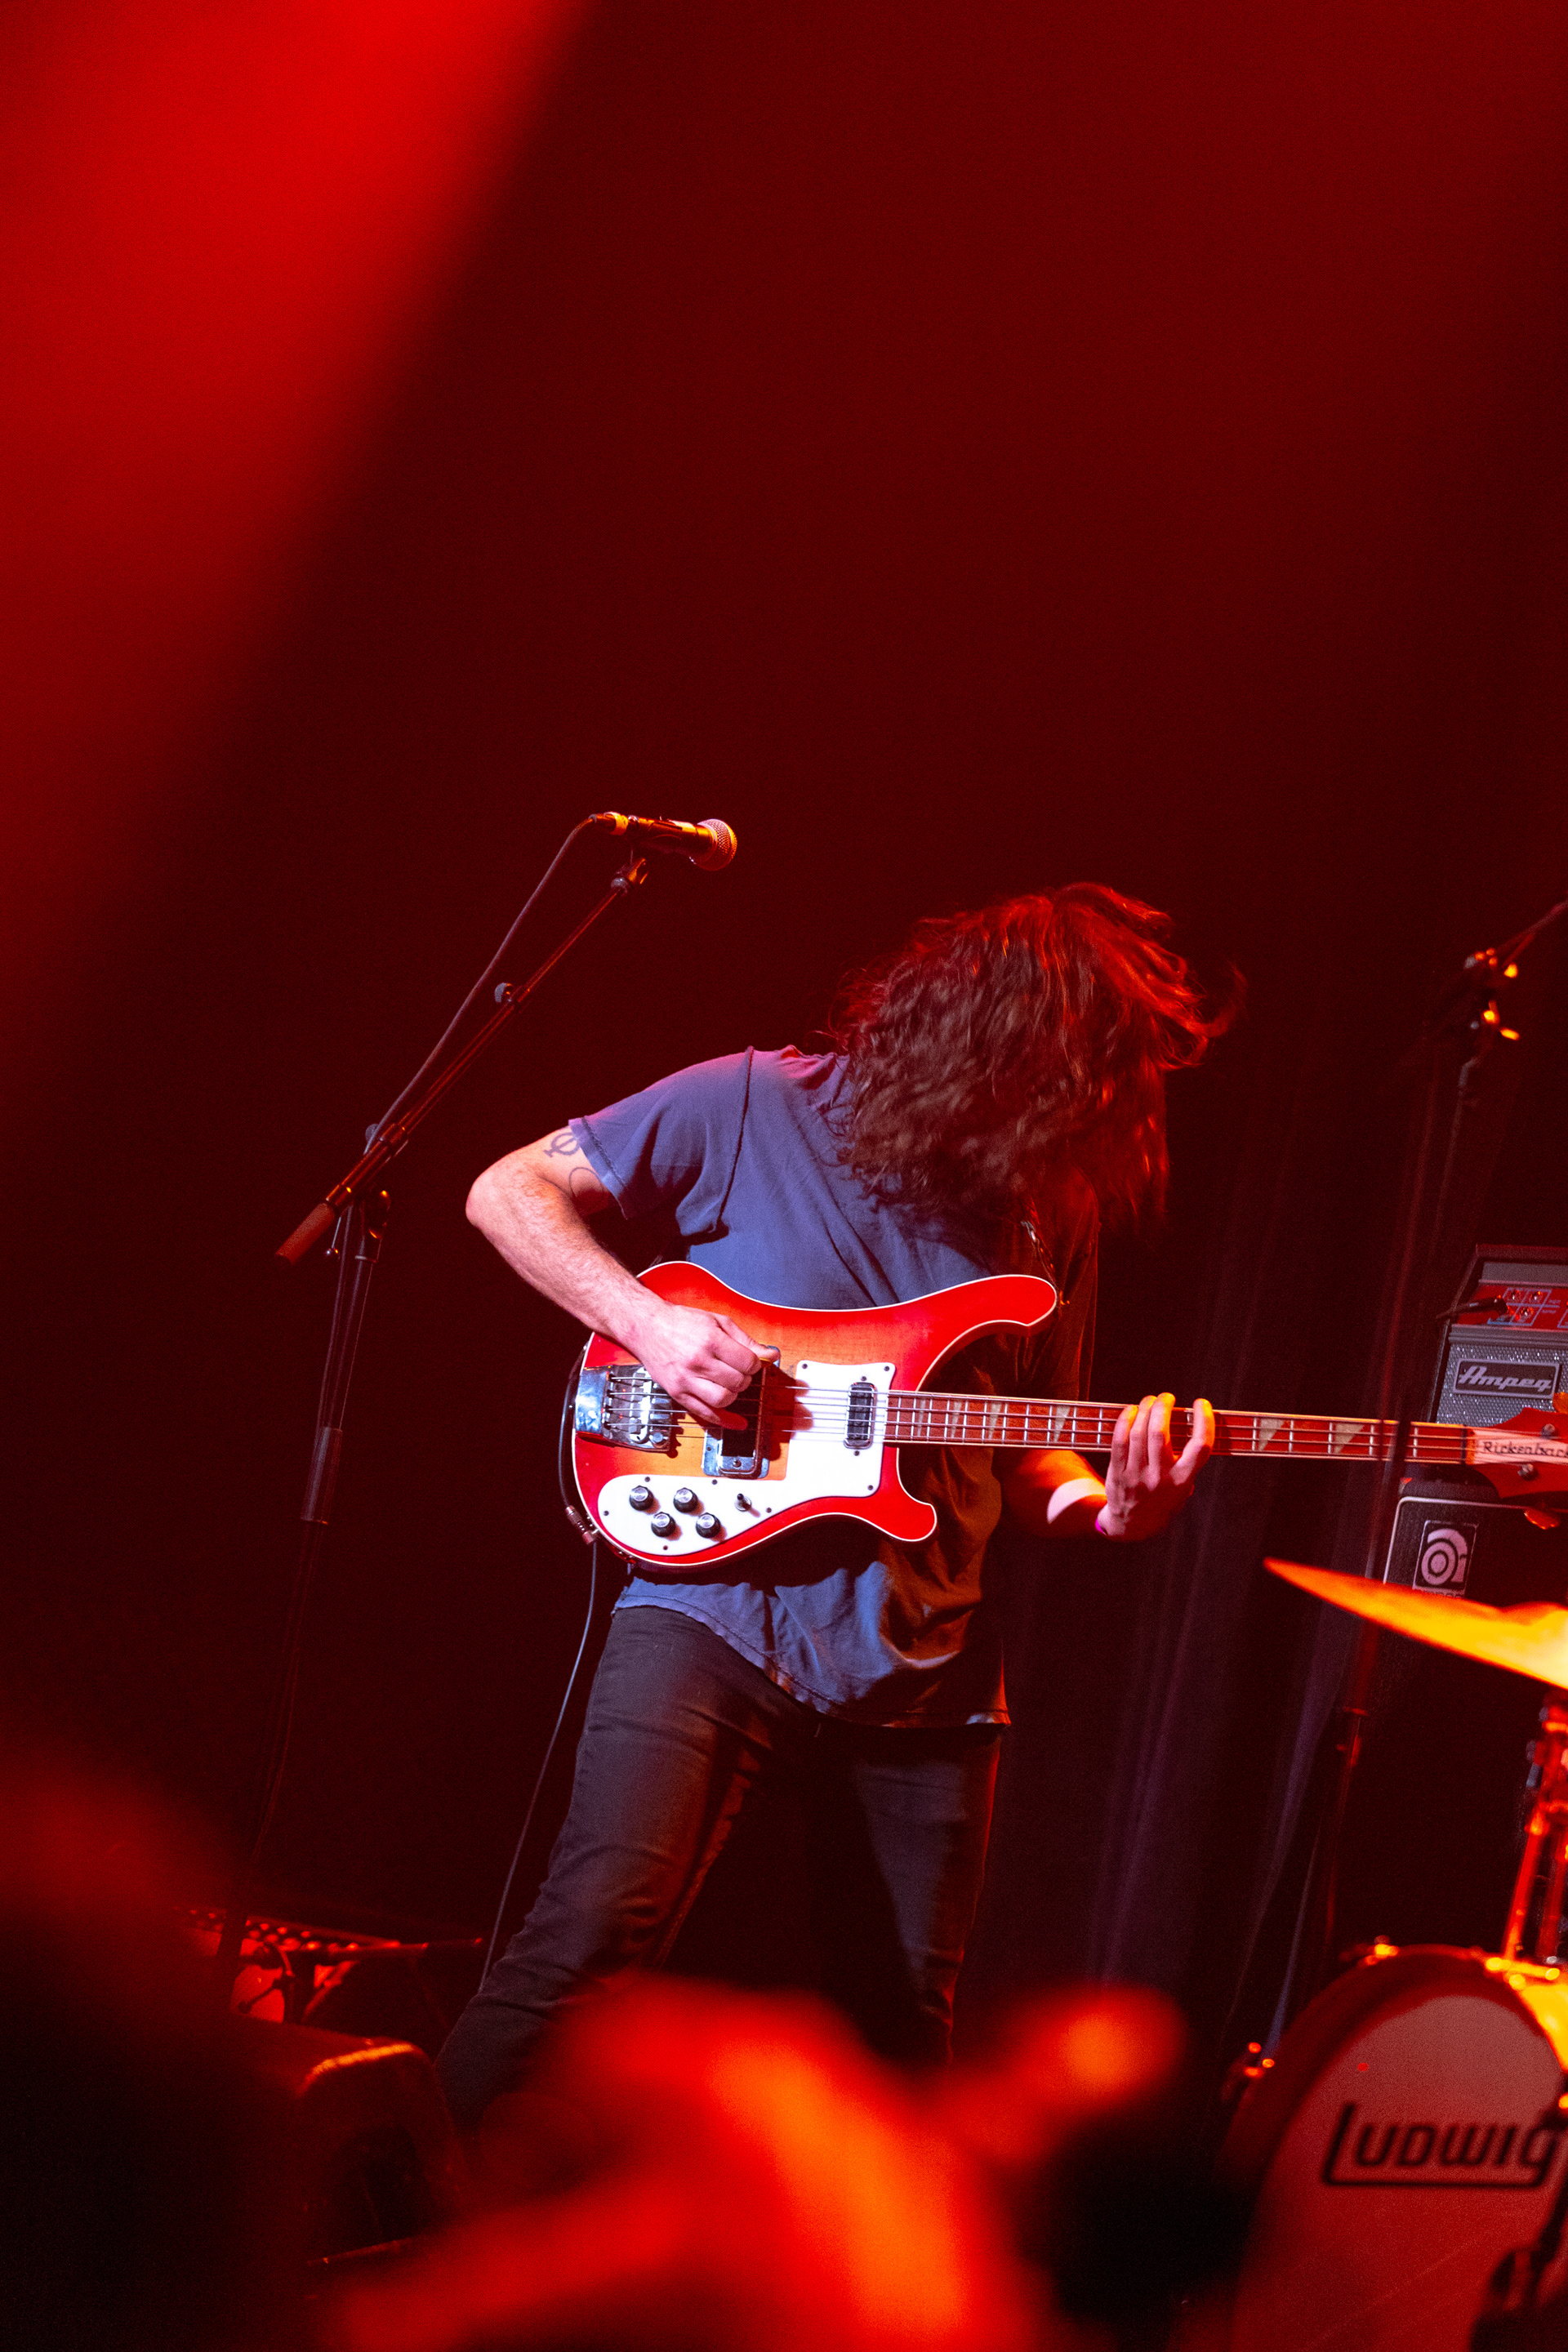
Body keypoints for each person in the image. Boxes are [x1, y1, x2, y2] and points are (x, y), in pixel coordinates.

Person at [436, 884, 1230, 2134]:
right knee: (588, 1941)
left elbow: (1036, 1455)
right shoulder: (751, 1103)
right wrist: (645, 1321)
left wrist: (1113, 1514)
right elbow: (505, 1192)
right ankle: (367, 2228)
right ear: (989, 1040)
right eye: (1069, 1079)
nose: (1084, 1118)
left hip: (929, 1670)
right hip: (712, 1612)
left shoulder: (1047, 1217)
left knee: (903, 2050)